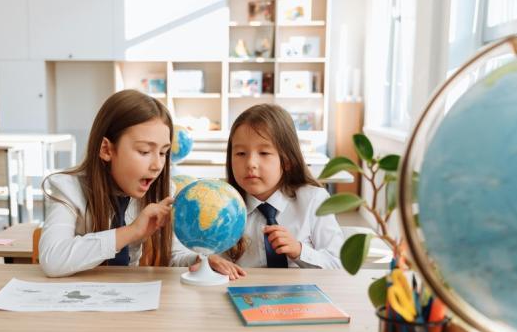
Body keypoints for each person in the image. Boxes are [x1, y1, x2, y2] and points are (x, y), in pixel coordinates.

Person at [40, 89, 193, 277]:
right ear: (106, 149)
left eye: (163, 153)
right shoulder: (67, 188)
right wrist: (131, 232)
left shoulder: (163, 190)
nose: (157, 165)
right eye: (144, 151)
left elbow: (175, 255)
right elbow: (53, 260)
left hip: (128, 297)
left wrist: (199, 260)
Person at [192, 103, 344, 272]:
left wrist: (299, 251)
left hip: (303, 295)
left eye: (264, 153)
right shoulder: (221, 206)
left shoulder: (314, 200)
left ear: (286, 161)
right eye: (241, 154)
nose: (250, 163)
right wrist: (207, 261)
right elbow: (198, 257)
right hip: (242, 294)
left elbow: (339, 264)